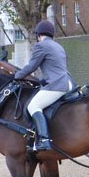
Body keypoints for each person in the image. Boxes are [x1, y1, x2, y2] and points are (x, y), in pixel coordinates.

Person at [14, 20, 75, 151]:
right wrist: (42, 80)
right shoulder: (58, 46)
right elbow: (56, 68)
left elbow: (32, 66)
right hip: (68, 82)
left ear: (39, 35)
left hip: (58, 85)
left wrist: (17, 75)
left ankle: (44, 140)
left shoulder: (41, 46)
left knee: (33, 106)